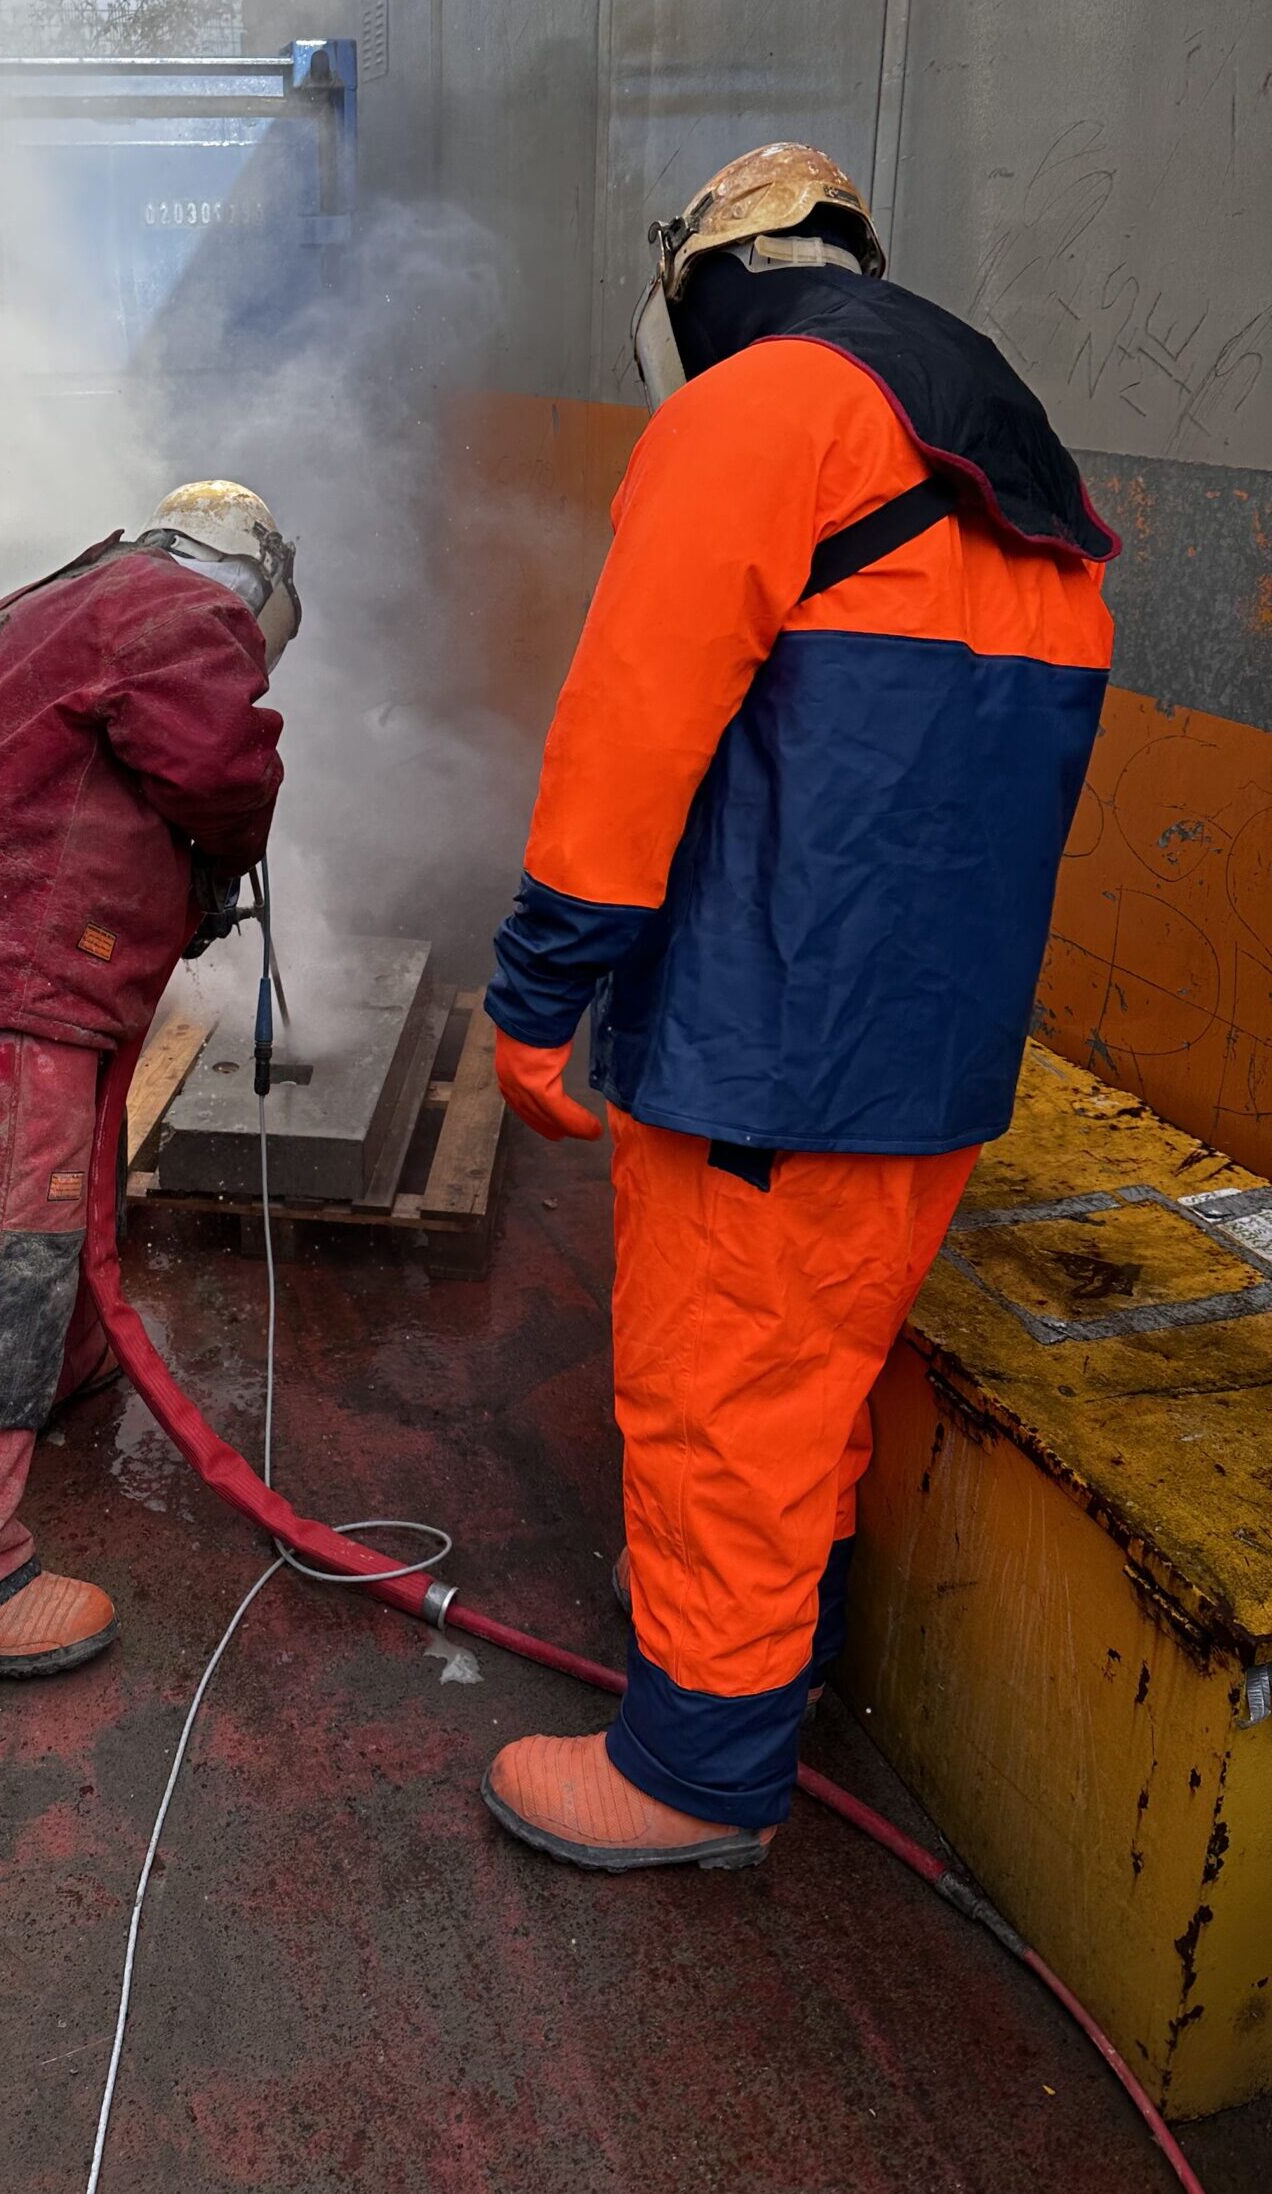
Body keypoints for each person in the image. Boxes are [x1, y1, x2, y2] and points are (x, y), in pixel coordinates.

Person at [481, 144, 1118, 1867]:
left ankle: (694, 1773)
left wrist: (539, 992)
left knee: (717, 1405)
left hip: (767, 1048)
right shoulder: (1010, 456)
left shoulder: (764, 410)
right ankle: (774, 1664)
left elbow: (633, 729)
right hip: (932, 1060)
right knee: (812, 1386)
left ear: (703, 284)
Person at [0, 483, 298, 1676]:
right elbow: (221, 761)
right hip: (13, 972)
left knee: (43, 1215)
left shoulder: (61, 597)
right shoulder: (183, 606)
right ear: (251, 584)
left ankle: (57, 1365)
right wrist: (233, 846)